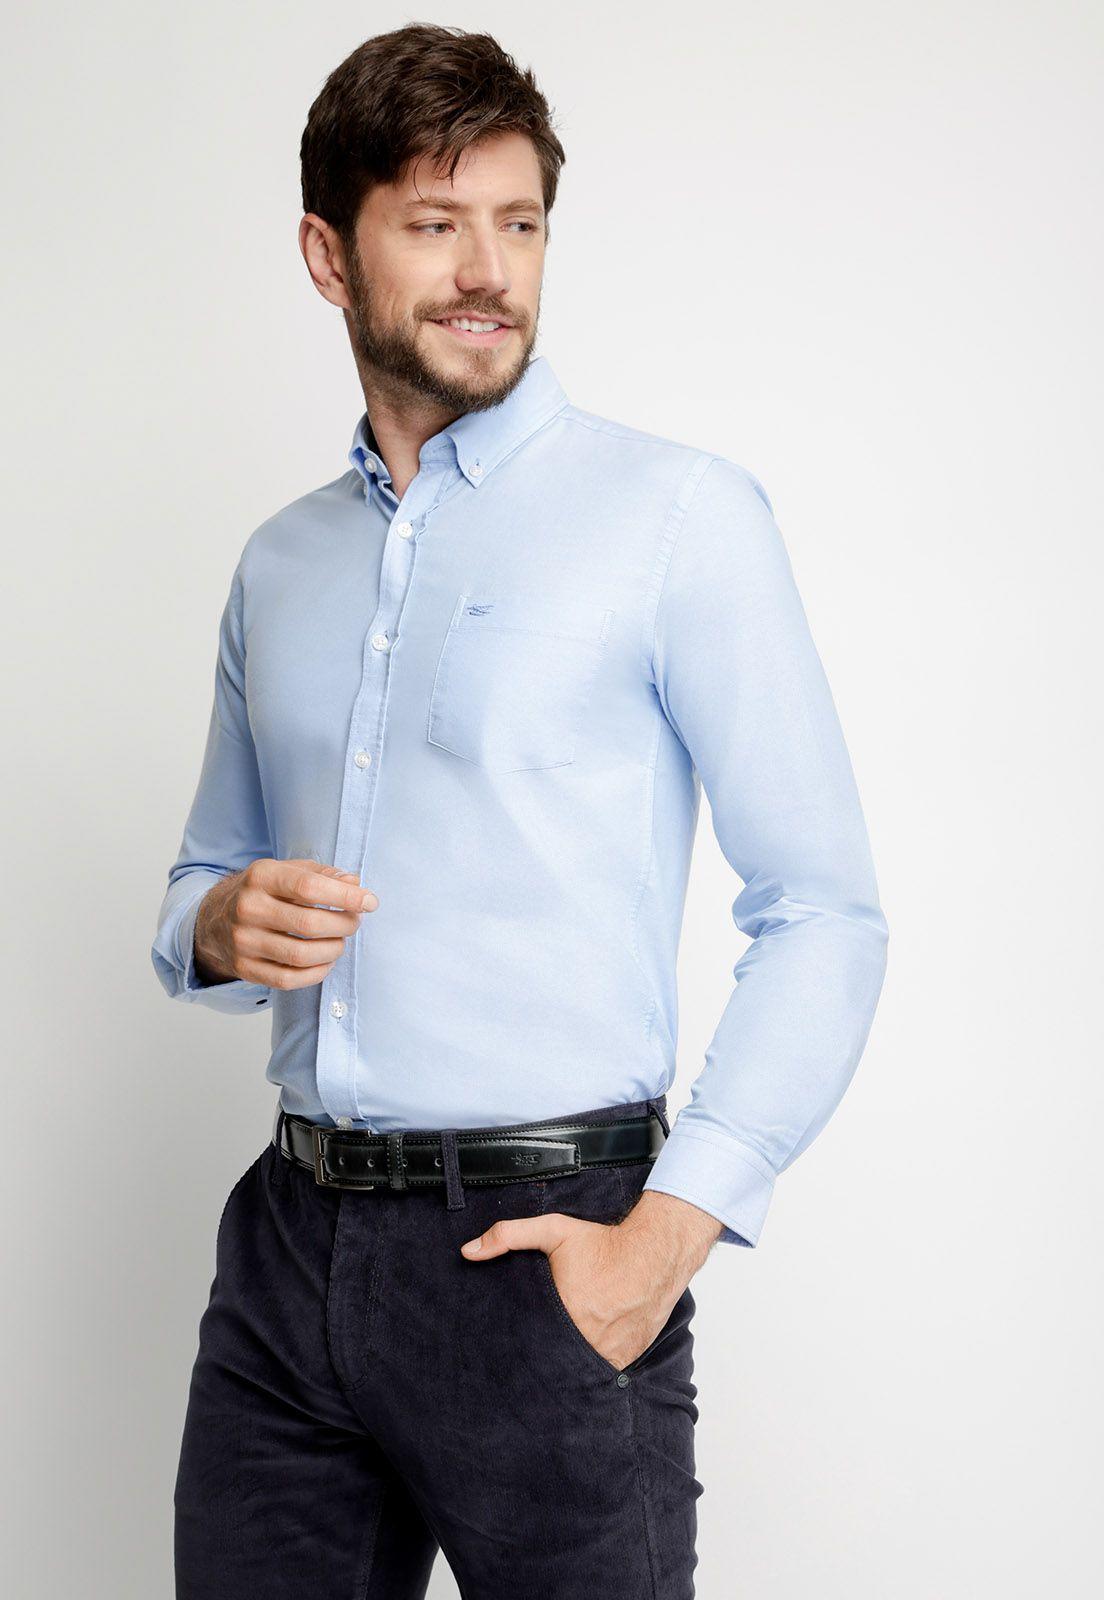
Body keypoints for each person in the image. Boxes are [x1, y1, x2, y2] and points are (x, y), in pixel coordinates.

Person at [152, 21, 889, 1599]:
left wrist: (664, 1239)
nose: (489, 270)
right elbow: (203, 878)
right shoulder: (280, 565)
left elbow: (824, 911)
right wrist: (217, 921)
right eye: (435, 223)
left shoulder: (678, 517)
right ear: (328, 255)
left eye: (520, 222)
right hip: (287, 1255)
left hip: (548, 1255)